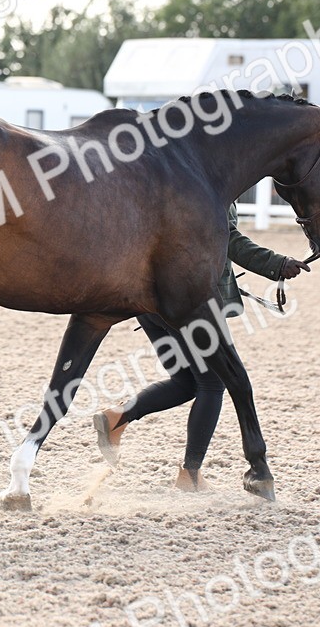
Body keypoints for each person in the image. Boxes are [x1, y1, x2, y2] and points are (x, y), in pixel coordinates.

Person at [93, 203, 308, 491]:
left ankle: (118, 416)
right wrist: (276, 263)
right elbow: (227, 237)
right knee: (213, 382)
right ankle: (189, 475)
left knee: (185, 381)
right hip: (184, 302)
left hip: (146, 299)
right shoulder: (203, 181)